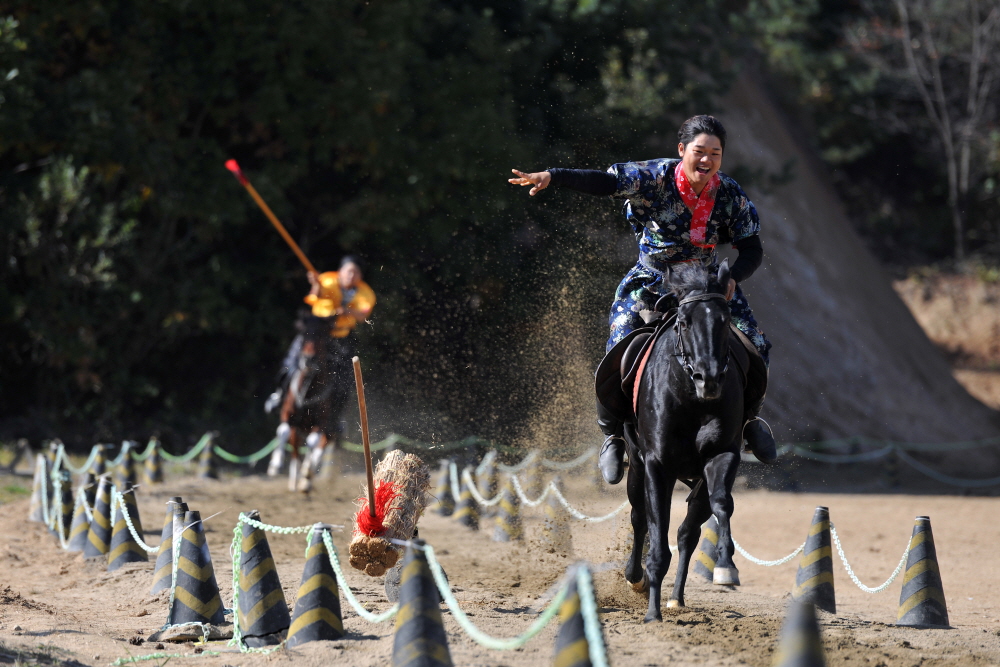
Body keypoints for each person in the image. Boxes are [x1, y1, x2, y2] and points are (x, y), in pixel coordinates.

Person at [508, 115, 776, 483]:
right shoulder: (653, 177)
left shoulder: (729, 193)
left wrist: (734, 278)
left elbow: (751, 249)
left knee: (755, 343)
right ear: (682, 150)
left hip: (706, 283)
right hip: (653, 279)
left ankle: (750, 421)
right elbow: (605, 183)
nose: (706, 160)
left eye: (715, 153)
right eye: (699, 151)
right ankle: (613, 435)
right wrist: (554, 176)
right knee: (618, 346)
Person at [264, 257, 376, 480]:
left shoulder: (366, 293)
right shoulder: (326, 280)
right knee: (292, 360)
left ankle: (336, 417)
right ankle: (279, 393)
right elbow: (314, 296)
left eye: (355, 273)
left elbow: (363, 314)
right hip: (316, 331)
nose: (350, 276)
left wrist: (345, 310)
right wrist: (315, 285)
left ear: (360, 276)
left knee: (345, 378)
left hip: (340, 338)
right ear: (340, 271)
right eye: (347, 271)